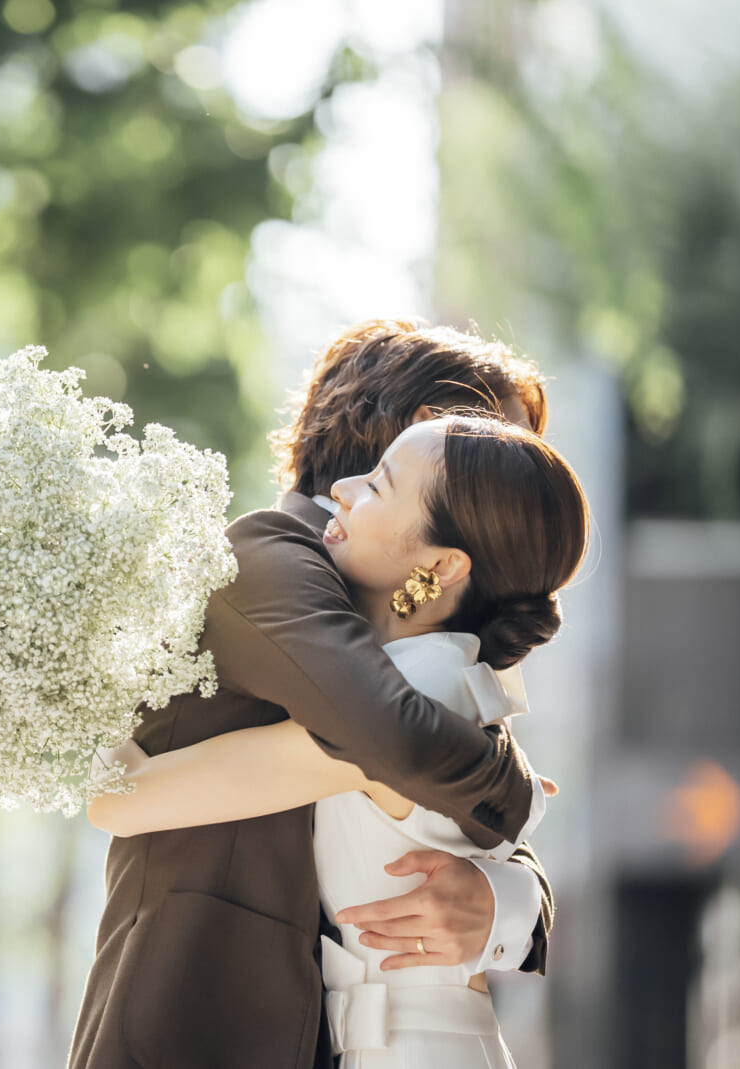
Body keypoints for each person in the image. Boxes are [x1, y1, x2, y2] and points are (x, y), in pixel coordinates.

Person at [66, 319, 557, 1069]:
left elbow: (429, 807)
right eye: (507, 453)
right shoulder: (270, 554)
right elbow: (389, 740)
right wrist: (514, 788)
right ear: (435, 430)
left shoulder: (416, 628)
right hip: (192, 1017)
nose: (520, 495)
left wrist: (507, 902)